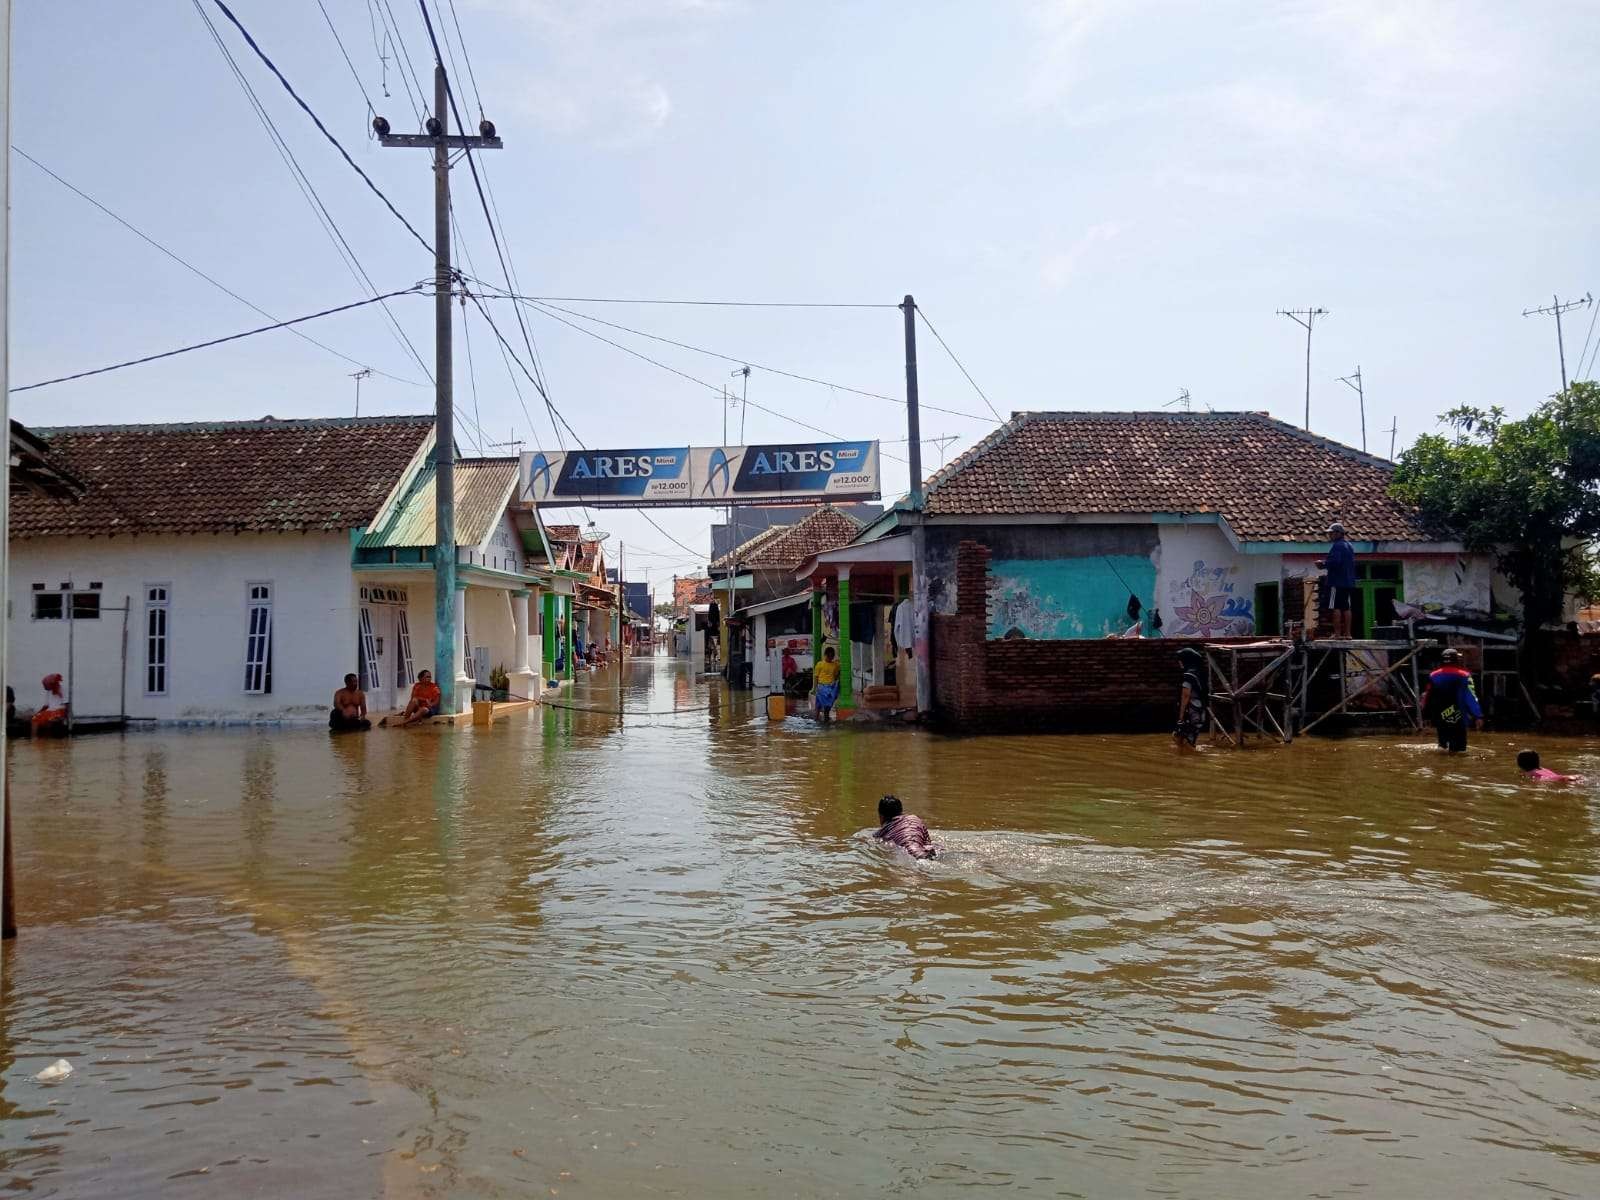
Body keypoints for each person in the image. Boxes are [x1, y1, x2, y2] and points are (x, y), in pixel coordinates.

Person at [1422, 648, 1482, 753]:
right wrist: (1478, 716)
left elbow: (1427, 697)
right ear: (1456, 660)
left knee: (1442, 748)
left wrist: (1426, 715)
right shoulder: (1465, 675)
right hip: (1459, 717)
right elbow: (1471, 697)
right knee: (1460, 751)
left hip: (1441, 718)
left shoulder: (1433, 675)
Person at [1316, 521, 1357, 640]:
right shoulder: (1349, 546)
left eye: (1332, 533)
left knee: (1335, 607)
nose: (1330, 536)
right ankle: (1348, 634)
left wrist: (1322, 564)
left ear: (1338, 533)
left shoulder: (1337, 546)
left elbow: (1335, 562)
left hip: (1336, 582)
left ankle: (1337, 634)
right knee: (1346, 607)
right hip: (1348, 582)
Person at [874, 794, 937, 860]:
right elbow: (927, 841)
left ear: (881, 816)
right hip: (927, 852)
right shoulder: (914, 819)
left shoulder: (880, 833)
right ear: (901, 811)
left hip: (911, 856)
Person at [1173, 647, 1208, 749]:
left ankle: (1187, 759)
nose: (1179, 662)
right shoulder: (1200, 673)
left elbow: (1185, 696)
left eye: (1180, 659)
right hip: (1200, 711)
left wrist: (1180, 717)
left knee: (1182, 740)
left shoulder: (1188, 675)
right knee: (1188, 739)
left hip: (1191, 712)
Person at [1516, 750, 1585, 782]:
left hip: (1557, 779)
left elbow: (1546, 779)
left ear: (1520, 764)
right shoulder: (1541, 769)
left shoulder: (1529, 773)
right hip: (1562, 777)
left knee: (1560, 779)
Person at [813, 645, 841, 722]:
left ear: (833, 656)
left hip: (830, 688)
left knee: (826, 706)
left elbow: (836, 675)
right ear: (825, 655)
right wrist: (815, 688)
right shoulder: (820, 664)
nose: (830, 658)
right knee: (818, 706)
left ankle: (825, 720)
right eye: (828, 656)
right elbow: (816, 677)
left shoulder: (835, 665)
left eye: (831, 656)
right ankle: (818, 720)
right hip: (821, 688)